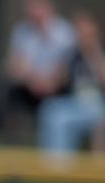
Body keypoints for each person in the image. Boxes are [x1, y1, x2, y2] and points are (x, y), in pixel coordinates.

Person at [4, 0, 77, 142]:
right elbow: (16, 66)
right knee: (11, 92)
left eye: (37, 6)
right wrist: (33, 81)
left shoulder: (65, 31)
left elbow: (66, 68)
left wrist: (51, 83)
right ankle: (15, 144)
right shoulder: (21, 31)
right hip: (29, 87)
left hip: (57, 88)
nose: (32, 11)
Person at [38, 10, 105, 155]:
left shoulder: (100, 53)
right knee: (52, 111)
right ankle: (58, 169)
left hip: (99, 105)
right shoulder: (71, 54)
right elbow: (55, 82)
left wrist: (94, 55)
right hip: (76, 103)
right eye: (79, 32)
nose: (83, 37)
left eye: (87, 33)